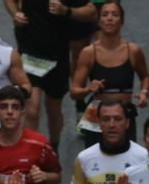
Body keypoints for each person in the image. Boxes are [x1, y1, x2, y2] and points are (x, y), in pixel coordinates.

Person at [9, 0, 97, 150]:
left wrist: (66, 10)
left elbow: (92, 12)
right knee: (32, 109)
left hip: (57, 53)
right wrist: (15, 13)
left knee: (53, 109)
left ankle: (54, 147)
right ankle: (32, 153)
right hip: (29, 50)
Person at [69, 1, 149, 150]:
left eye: (115, 14)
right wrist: (88, 90)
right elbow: (74, 91)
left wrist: (144, 92)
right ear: (99, 21)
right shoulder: (88, 53)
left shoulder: (133, 51)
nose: (110, 18)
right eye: (105, 15)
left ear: (122, 20)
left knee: (126, 162)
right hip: (98, 116)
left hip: (124, 114)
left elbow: (145, 77)